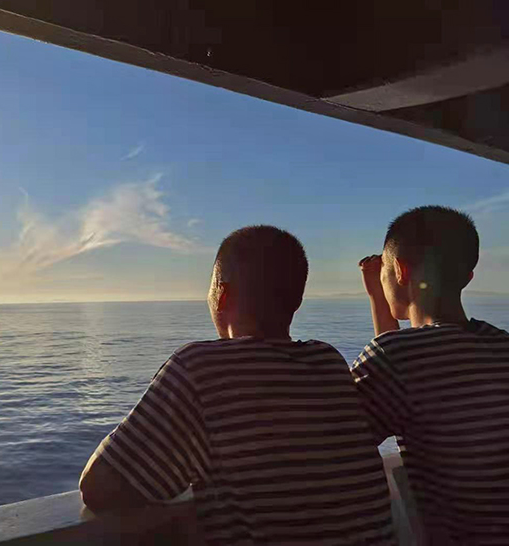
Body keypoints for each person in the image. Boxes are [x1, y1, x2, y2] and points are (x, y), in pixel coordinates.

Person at [80, 225, 394, 545]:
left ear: (222, 294)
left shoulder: (199, 367)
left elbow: (98, 486)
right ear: (297, 301)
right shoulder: (327, 361)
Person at [354, 205, 509, 544]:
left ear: (401, 270)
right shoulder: (500, 344)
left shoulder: (396, 358)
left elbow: (342, 441)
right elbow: (409, 362)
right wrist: (381, 296)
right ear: (468, 276)